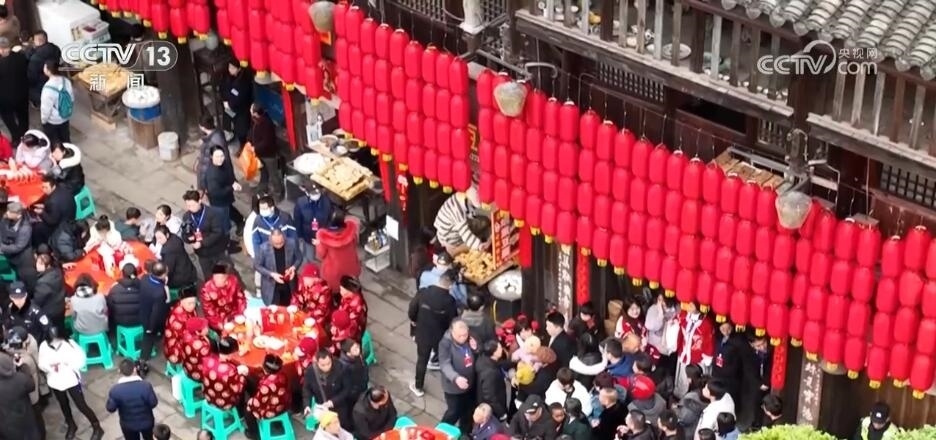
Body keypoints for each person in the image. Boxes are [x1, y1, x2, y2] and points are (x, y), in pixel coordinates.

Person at [38, 325, 104, 440]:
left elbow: (81, 359)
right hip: (55, 381)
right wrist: (49, 367)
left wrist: (67, 364)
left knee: (81, 404)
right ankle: (71, 424)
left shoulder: (70, 344)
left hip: (71, 379)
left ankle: (96, 426)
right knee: (63, 404)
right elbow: (41, 363)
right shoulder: (44, 346)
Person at [408, 267, 458, 397]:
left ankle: (418, 386)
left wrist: (414, 322)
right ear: (451, 285)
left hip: (423, 333)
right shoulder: (450, 301)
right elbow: (453, 320)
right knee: (444, 358)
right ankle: (450, 385)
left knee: (422, 360)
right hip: (440, 335)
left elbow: (412, 310)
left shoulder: (423, 293)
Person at [5, 326, 45, 439]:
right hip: (30, 390)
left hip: (30, 395)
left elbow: (28, 382)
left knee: (36, 417)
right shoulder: (26, 344)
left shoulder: (25, 360)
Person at [181, 189, 231, 278]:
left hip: (216, 251)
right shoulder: (186, 216)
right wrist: (188, 239)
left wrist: (201, 243)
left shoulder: (212, 213)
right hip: (202, 254)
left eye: (192, 205)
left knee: (224, 274)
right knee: (208, 275)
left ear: (199, 201)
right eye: (188, 205)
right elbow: (184, 233)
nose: (190, 208)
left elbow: (217, 232)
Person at [439, 319, 477, 432]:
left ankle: (465, 433)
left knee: (468, 411)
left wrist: (476, 349)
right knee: (454, 411)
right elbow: (444, 364)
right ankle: (441, 431)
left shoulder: (469, 338)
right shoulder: (445, 344)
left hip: (469, 383)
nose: (463, 338)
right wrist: (455, 377)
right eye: (459, 336)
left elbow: (475, 354)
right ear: (452, 332)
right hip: (453, 388)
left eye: (465, 335)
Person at [105, 359, 158, 440]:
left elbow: (110, 408)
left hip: (128, 425)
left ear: (119, 371)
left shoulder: (115, 390)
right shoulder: (146, 386)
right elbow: (153, 403)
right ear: (135, 369)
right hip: (147, 422)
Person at [245, 355, 290, 437]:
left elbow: (258, 402)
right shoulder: (283, 375)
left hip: (272, 410)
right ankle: (278, 424)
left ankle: (254, 434)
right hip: (284, 404)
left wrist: (250, 402)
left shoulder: (266, 384)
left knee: (248, 408)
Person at [255, 228, 303, 306]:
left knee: (289, 307)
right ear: (270, 240)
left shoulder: (292, 243)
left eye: (281, 243)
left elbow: (299, 258)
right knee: (274, 309)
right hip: (272, 286)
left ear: (284, 238)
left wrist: (293, 267)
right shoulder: (263, 248)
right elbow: (257, 265)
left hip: (288, 284)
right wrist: (271, 274)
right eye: (276, 244)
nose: (279, 246)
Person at [303, 350, 352, 426]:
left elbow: (347, 389)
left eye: (328, 363)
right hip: (322, 407)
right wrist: (307, 405)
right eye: (323, 365)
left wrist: (333, 402)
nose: (326, 367)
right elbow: (307, 389)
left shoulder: (341, 368)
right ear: (317, 362)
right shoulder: (310, 372)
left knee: (341, 425)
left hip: (339, 406)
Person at [137, 261, 171, 374]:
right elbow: (156, 313)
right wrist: (151, 328)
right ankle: (143, 361)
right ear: (163, 274)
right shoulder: (159, 292)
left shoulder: (145, 278)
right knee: (148, 338)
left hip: (143, 312)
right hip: (152, 320)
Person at [434, 188, 488, 256]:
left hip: (448, 228)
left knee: (485, 221)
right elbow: (466, 235)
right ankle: (454, 250)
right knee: (476, 245)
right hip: (450, 238)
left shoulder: (459, 197)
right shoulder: (457, 211)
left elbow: (471, 213)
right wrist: (479, 245)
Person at [674, 303, 713, 398]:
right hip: (684, 355)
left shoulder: (706, 323)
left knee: (697, 384)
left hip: (698, 359)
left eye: (692, 305)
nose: (689, 306)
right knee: (682, 380)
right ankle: (679, 398)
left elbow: (709, 341)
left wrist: (707, 357)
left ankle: (698, 399)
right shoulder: (684, 317)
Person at [316, 210, 361, 292]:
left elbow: (321, 254)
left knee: (336, 293)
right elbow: (355, 244)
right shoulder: (351, 233)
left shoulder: (325, 239)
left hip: (333, 274)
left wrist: (318, 244)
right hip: (351, 268)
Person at [200, 336, 248, 410]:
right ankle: (240, 411)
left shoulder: (207, 359)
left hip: (208, 396)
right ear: (231, 354)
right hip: (223, 403)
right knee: (244, 382)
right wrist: (242, 376)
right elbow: (237, 389)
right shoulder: (230, 370)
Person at [203, 145, 242, 236]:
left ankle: (239, 221)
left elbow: (229, 175)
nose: (220, 159)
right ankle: (226, 235)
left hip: (226, 197)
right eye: (217, 156)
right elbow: (216, 193)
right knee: (223, 221)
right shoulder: (212, 175)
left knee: (229, 209)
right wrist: (232, 187)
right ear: (211, 156)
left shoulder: (224, 164)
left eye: (222, 156)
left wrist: (234, 182)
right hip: (219, 202)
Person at [0, 350, 38, 440]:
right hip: (25, 417)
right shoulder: (19, 378)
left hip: (6, 424)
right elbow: (31, 386)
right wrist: (22, 367)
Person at [737, 333, 771, 431]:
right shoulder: (748, 353)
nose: (762, 347)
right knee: (756, 404)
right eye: (758, 346)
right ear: (751, 345)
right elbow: (748, 371)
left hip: (768, 382)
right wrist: (759, 384)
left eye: (763, 343)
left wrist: (766, 382)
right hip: (756, 383)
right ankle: (756, 424)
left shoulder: (771, 350)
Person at [200, 263, 247, 332]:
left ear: (226, 277)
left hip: (235, 314)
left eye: (221, 278)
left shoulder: (233, 281)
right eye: (216, 277)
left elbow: (240, 298)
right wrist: (219, 323)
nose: (218, 280)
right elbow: (209, 310)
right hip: (219, 318)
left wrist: (239, 313)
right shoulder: (207, 289)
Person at [249, 104, 283, 199]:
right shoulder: (256, 120)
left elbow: (267, 142)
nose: (250, 111)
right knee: (264, 173)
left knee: (273, 175)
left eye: (251, 110)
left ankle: (278, 194)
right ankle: (263, 190)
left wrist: (255, 148)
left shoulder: (266, 123)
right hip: (260, 154)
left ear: (256, 113)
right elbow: (253, 132)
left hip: (269, 155)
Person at [294, 181, 333, 261]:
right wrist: (300, 235)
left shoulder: (327, 202)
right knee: (309, 258)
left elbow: (330, 220)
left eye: (317, 193)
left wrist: (325, 236)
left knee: (324, 258)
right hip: (308, 237)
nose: (316, 195)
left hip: (322, 237)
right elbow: (298, 220)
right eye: (313, 193)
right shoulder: (300, 202)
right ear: (307, 193)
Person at [153, 225, 198, 293]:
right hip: (188, 270)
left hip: (180, 278)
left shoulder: (168, 251)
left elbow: (168, 269)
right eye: (156, 238)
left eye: (160, 238)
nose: (158, 241)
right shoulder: (174, 237)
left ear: (167, 235)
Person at [0, 36, 28, 144]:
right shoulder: (20, 57)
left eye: (3, 48)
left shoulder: (18, 58)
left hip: (8, 98)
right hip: (19, 95)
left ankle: (18, 137)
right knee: (21, 117)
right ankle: (22, 135)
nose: (1, 51)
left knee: (10, 118)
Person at [162, 289, 199, 368]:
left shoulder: (189, 309)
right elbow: (184, 337)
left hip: (186, 337)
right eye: (189, 303)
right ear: (182, 302)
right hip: (175, 346)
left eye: (194, 303)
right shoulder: (178, 316)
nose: (192, 305)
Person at [220, 59, 253, 147]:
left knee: (242, 131)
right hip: (230, 107)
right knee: (227, 117)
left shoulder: (244, 81)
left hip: (241, 110)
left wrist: (230, 104)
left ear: (239, 69)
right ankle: (229, 133)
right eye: (229, 67)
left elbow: (241, 97)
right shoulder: (227, 77)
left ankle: (243, 145)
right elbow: (223, 89)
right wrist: (226, 101)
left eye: (233, 68)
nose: (230, 69)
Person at [40, 59, 73, 144]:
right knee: (66, 138)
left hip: (53, 121)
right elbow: (71, 98)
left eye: (45, 67)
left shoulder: (47, 89)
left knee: (54, 142)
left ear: (48, 71)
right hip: (65, 116)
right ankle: (69, 150)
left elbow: (46, 109)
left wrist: (43, 121)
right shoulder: (66, 81)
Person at [36, 175, 76, 245]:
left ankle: (40, 245)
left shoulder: (53, 202)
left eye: (46, 187)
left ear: (53, 186)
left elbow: (52, 221)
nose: (43, 190)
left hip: (62, 226)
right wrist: (45, 206)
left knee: (37, 228)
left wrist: (42, 212)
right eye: (42, 187)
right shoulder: (62, 187)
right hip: (70, 215)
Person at [474, 340, 508, 421]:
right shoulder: (490, 373)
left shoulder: (484, 359)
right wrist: (501, 412)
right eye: (499, 348)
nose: (502, 349)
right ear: (494, 353)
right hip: (492, 409)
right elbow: (490, 396)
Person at [26, 31, 61, 107]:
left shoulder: (36, 58)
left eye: (34, 40)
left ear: (38, 41)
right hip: (55, 79)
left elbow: (32, 77)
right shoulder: (55, 48)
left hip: (42, 85)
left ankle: (41, 103)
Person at [0, 201, 34, 279]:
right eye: (8, 210)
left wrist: (1, 247)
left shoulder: (25, 228)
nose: (7, 213)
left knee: (19, 275)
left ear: (18, 215)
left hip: (20, 257)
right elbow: (1, 231)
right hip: (6, 250)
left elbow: (18, 247)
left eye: (10, 212)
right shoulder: (5, 218)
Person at [33, 253, 65, 328]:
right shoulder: (57, 271)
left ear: (47, 266)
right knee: (61, 326)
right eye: (37, 262)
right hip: (60, 306)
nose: (37, 265)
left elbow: (38, 300)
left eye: (40, 264)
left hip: (50, 312)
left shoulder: (42, 282)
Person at [674, 364, 706, 440]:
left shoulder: (691, 399)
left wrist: (675, 409)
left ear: (689, 379)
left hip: (688, 432)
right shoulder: (703, 388)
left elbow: (684, 418)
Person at [107, 263, 143, 329]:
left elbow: (109, 306)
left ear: (122, 274)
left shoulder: (114, 289)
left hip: (120, 322)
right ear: (136, 274)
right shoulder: (143, 286)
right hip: (140, 320)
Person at [339, 339, 369, 408]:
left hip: (362, 385)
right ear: (348, 353)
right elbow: (347, 383)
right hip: (355, 393)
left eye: (357, 347)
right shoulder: (344, 366)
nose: (358, 350)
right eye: (355, 349)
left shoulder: (358, 356)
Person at [180, 317, 212, 381]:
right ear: (197, 332)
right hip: (197, 373)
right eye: (205, 327)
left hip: (187, 368)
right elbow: (210, 359)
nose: (207, 328)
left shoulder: (186, 334)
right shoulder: (201, 346)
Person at [336, 276, 368, 340]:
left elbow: (351, 327)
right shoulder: (346, 297)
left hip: (352, 332)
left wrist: (340, 335)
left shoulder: (356, 307)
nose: (340, 291)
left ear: (350, 291)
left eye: (342, 289)